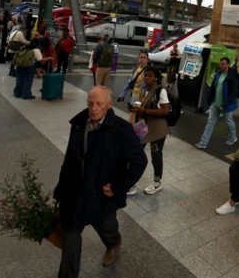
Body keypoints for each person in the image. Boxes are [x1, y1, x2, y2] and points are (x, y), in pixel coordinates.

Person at [54, 86, 147, 278]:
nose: (93, 108)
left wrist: (119, 186)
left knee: (106, 227)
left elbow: (140, 161)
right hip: (76, 193)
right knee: (71, 236)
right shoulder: (80, 123)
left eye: (99, 104)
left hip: (100, 194)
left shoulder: (122, 130)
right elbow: (70, 159)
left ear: (110, 104)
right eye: (90, 103)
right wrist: (61, 188)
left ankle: (113, 244)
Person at [128, 66, 170, 196]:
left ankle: (157, 182)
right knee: (136, 153)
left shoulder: (160, 91)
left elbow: (165, 110)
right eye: (146, 75)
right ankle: (130, 182)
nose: (147, 78)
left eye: (150, 76)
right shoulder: (145, 90)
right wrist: (135, 110)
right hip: (145, 126)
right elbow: (143, 107)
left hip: (158, 128)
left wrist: (144, 111)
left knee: (156, 155)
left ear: (156, 77)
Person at [195, 57, 238, 149]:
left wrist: (225, 105)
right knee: (210, 122)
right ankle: (203, 142)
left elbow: (233, 93)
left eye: (223, 64)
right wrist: (209, 100)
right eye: (220, 63)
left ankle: (233, 137)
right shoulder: (218, 74)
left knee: (229, 121)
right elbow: (213, 88)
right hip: (216, 103)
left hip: (226, 105)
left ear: (227, 65)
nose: (221, 65)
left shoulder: (232, 76)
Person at [117, 50, 150, 123]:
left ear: (147, 59)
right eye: (141, 57)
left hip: (143, 97)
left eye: (144, 58)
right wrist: (122, 94)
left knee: (140, 116)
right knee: (132, 116)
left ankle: (139, 132)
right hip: (134, 95)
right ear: (138, 59)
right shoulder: (135, 69)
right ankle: (133, 131)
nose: (142, 59)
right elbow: (129, 83)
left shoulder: (149, 70)